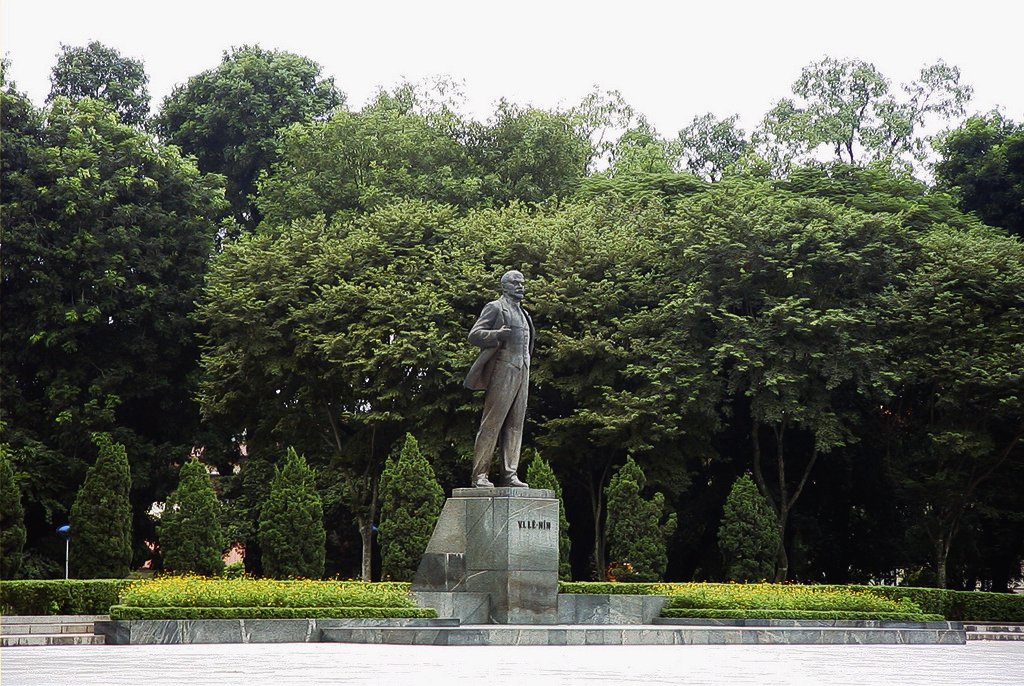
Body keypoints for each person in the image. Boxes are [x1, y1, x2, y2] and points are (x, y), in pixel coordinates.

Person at [464, 270, 535, 488]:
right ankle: (480, 476)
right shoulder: (495, 307)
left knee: (515, 425)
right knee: (492, 424)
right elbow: (474, 334)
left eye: (522, 283)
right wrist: (495, 334)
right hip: (503, 368)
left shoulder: (524, 314)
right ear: (504, 286)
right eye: (515, 283)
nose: (520, 287)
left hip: (523, 369)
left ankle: (510, 474)